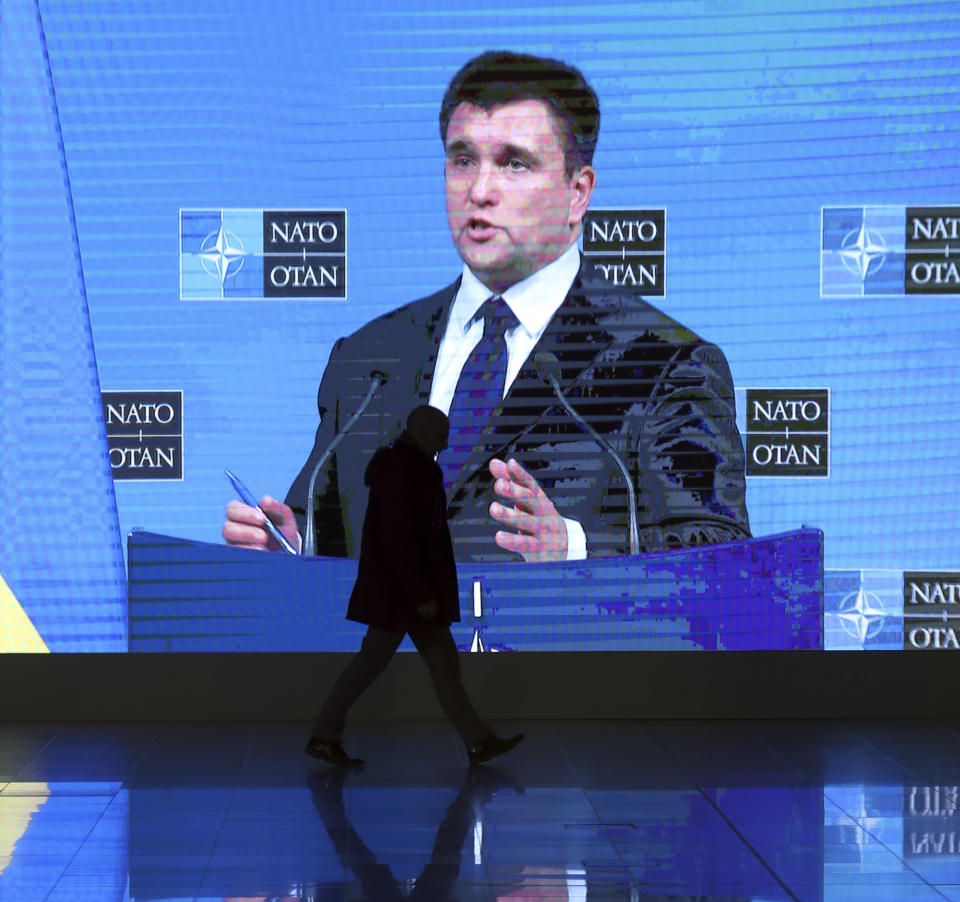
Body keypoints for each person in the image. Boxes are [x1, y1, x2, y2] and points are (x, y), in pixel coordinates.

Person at [223, 49, 749, 570]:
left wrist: (572, 549)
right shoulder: (368, 359)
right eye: (462, 160)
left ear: (577, 192)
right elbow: (324, 536)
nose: (480, 190)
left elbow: (719, 560)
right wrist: (289, 548)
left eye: (513, 163)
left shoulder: (664, 365)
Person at [304, 404, 523, 766]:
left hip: (403, 594)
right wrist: (421, 593)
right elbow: (401, 538)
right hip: (405, 596)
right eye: (440, 437)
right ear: (420, 433)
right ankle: (325, 734)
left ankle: (478, 739)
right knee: (391, 665)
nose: (445, 444)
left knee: (431, 665)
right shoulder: (403, 471)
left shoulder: (402, 468)